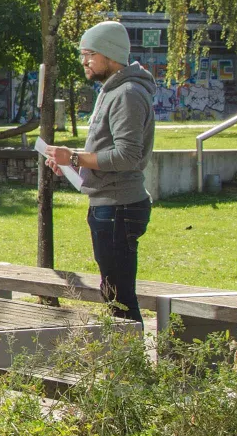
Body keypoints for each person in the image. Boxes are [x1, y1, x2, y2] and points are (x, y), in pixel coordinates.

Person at [45, 20, 156, 322]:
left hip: (119, 207)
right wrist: (70, 164)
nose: (84, 61)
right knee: (112, 294)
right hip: (107, 205)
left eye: (90, 54)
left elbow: (127, 156)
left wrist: (76, 157)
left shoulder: (127, 93)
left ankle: (129, 365)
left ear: (110, 54)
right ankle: (123, 362)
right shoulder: (112, 91)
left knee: (119, 299)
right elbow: (108, 154)